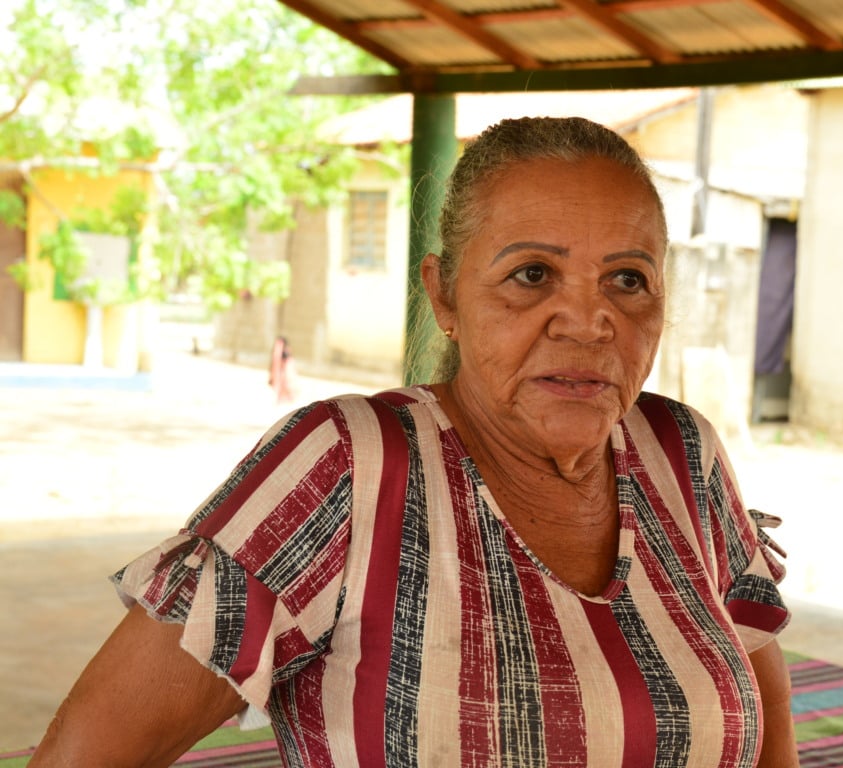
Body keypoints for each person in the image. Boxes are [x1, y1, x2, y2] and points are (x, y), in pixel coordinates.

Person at [29, 116, 798, 767]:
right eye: (532, 275)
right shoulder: (348, 465)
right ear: (443, 294)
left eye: (627, 280)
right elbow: (91, 753)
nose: (588, 321)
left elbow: (766, 737)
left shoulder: (681, 455)